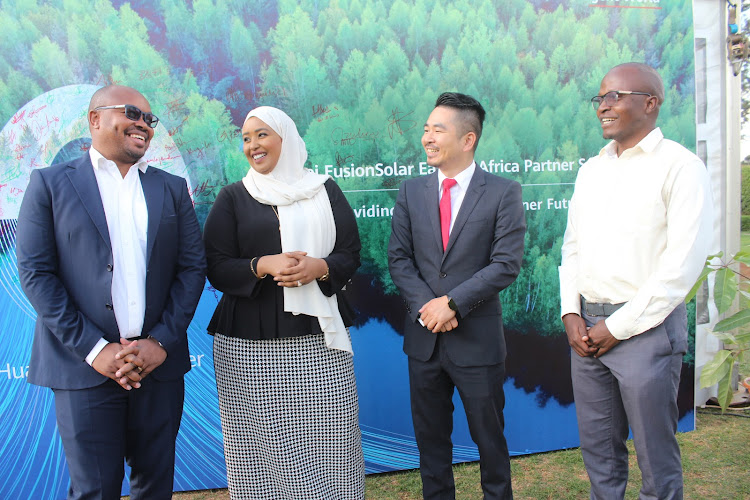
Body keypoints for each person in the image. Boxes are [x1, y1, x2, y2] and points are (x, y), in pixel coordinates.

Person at [16, 85, 207, 499]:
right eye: (133, 113)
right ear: (95, 119)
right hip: (83, 368)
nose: (144, 125)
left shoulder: (170, 189)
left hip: (158, 369)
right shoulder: (49, 184)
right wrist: (95, 349)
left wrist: (160, 342)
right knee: (95, 491)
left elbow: (192, 269)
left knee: (154, 488)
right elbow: (35, 273)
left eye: (150, 119)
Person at [559, 63, 713, 500]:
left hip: (646, 332)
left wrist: (617, 327)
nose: (603, 107)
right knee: (599, 455)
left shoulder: (681, 168)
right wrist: (571, 311)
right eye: (600, 98)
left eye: (615, 97)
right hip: (587, 329)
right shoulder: (592, 169)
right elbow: (573, 246)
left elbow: (680, 269)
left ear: (651, 103)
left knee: (655, 457)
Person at [203, 106, 365, 499]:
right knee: (262, 450)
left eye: (262, 134)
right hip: (250, 346)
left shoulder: (324, 188)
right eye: (246, 138)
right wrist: (261, 265)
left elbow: (350, 251)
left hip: (319, 339)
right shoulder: (234, 197)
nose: (253, 145)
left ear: (285, 138)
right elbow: (216, 267)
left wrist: (319, 267)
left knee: (333, 439)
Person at [388, 92, 526, 499]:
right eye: (426, 129)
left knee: (490, 444)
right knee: (431, 445)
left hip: (477, 343)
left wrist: (452, 304)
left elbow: (505, 264)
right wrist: (428, 308)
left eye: (438, 130)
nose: (427, 138)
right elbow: (398, 259)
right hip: (424, 342)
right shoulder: (411, 191)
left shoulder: (503, 192)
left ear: (468, 139)